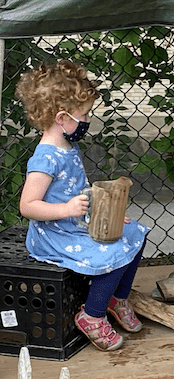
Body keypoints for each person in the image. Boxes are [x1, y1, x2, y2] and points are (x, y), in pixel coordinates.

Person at [16, 60, 151, 351]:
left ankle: (116, 297)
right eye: (85, 114)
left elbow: (76, 191)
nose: (88, 120)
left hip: (76, 224)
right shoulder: (45, 159)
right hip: (53, 234)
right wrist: (65, 210)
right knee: (113, 251)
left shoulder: (69, 146)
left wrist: (106, 213)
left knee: (135, 235)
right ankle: (92, 315)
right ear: (62, 117)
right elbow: (27, 206)